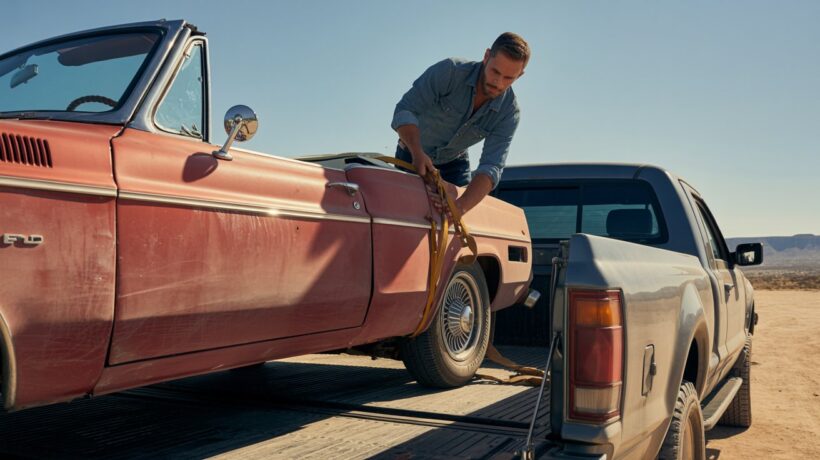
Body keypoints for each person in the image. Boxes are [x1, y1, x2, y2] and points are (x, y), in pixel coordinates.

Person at [391, 32, 530, 216]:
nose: (498, 83)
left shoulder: (509, 113)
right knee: (407, 216)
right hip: (411, 154)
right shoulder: (449, 71)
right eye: (495, 72)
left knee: (460, 220)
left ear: (519, 75)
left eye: (508, 78)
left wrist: (461, 206)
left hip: (455, 165)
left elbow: (491, 166)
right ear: (486, 56)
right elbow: (405, 110)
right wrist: (417, 152)